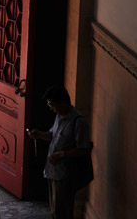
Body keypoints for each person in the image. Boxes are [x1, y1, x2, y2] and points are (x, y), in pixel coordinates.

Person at [27, 86, 91, 219]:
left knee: (63, 211)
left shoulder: (78, 122)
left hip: (66, 175)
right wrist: (39, 134)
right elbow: (53, 135)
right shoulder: (59, 116)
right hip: (53, 171)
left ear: (63, 102)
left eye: (52, 104)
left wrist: (61, 155)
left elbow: (83, 149)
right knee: (55, 210)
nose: (51, 108)